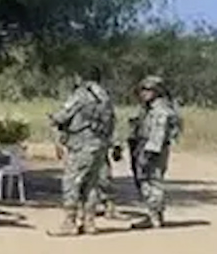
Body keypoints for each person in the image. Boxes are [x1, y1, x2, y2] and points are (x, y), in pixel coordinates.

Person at [47, 64, 116, 237]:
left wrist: (54, 119)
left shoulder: (81, 95)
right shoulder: (105, 97)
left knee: (72, 182)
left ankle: (69, 222)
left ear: (81, 77)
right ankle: (89, 222)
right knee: (91, 184)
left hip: (81, 145)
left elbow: (63, 115)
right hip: (100, 145)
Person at [123, 74, 182, 229]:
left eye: (148, 90)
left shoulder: (161, 110)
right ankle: (154, 214)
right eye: (142, 89)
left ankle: (155, 215)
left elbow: (159, 133)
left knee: (152, 181)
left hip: (153, 149)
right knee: (144, 180)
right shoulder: (146, 109)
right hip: (142, 146)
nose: (144, 93)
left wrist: (149, 152)